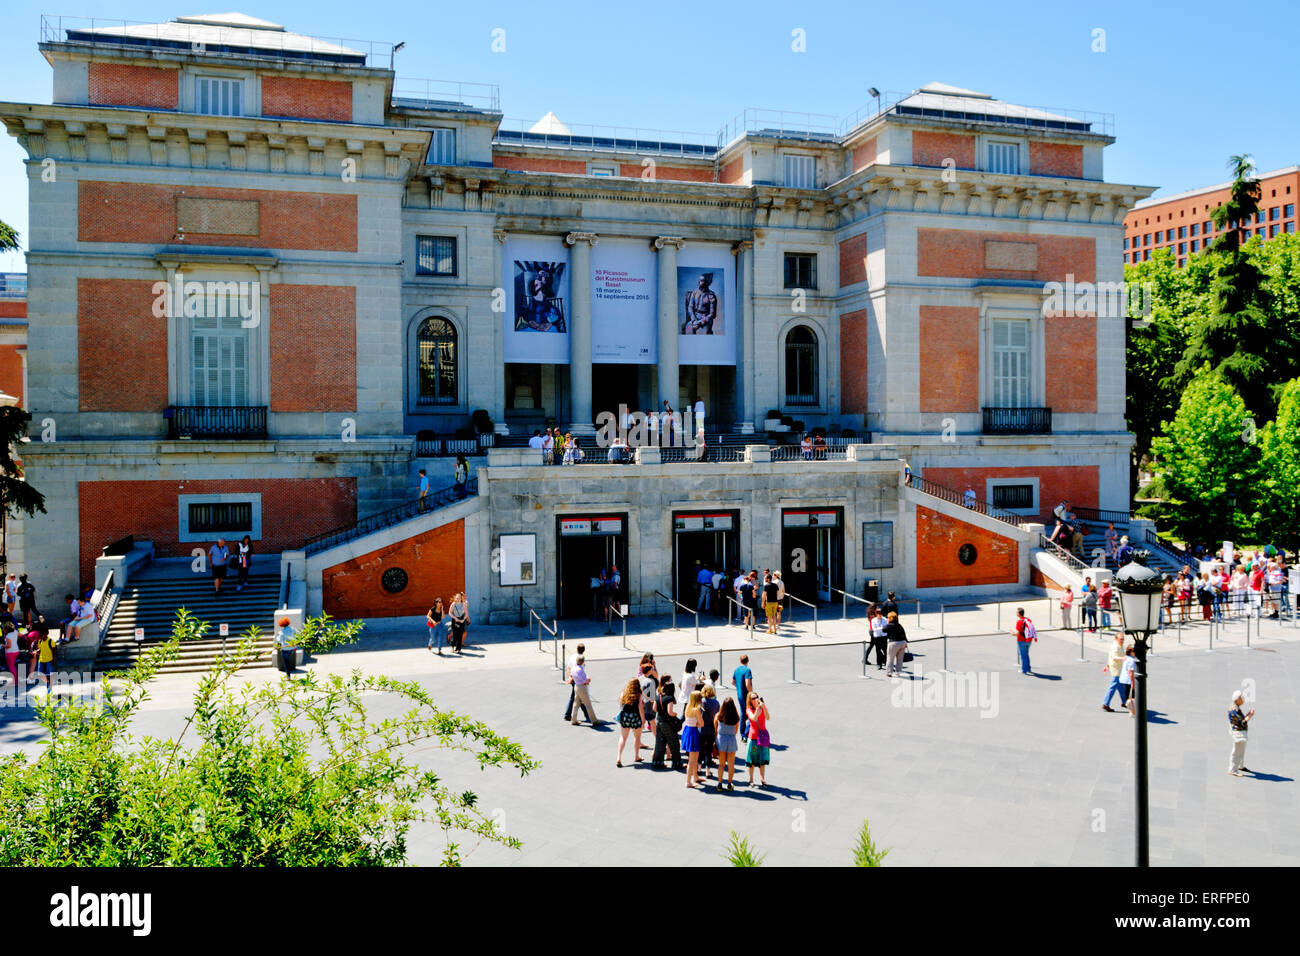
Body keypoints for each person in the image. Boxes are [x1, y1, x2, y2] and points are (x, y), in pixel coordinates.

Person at [651, 676, 683, 771]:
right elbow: (670, 712)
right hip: (667, 723)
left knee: (660, 743)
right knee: (674, 743)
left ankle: (657, 762)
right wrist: (675, 714)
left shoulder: (658, 696)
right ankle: (676, 763)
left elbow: (654, 709)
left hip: (659, 722)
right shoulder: (669, 698)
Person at [745, 692, 771, 788]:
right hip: (754, 738)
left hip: (762, 737)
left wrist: (763, 707)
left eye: (757, 697)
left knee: (762, 759)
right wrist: (757, 709)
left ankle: (762, 779)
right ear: (750, 701)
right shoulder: (749, 709)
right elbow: (753, 718)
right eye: (753, 698)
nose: (756, 699)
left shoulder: (762, 707)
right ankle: (751, 779)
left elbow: (768, 717)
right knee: (752, 760)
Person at [616, 678, 644, 767]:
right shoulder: (639, 695)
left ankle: (618, 757)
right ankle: (636, 756)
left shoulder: (623, 693)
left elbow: (620, 706)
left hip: (625, 716)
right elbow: (640, 709)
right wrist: (643, 720)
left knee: (623, 737)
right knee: (637, 737)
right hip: (635, 717)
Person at [714, 697, 740, 791]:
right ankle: (729, 783)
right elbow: (736, 731)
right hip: (731, 740)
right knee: (731, 764)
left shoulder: (718, 716)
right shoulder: (736, 717)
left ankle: (720, 784)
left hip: (721, 740)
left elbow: (715, 729)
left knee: (721, 764)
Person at [1228, 692, 1255, 776]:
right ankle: (1233, 770)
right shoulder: (1234, 710)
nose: (1243, 699)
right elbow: (1242, 722)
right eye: (1241, 698)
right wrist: (1250, 715)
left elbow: (1241, 718)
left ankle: (1240, 766)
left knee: (1241, 750)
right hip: (1238, 733)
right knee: (1237, 751)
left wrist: (1247, 715)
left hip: (1240, 732)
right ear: (1237, 700)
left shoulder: (1235, 707)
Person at [563, 642, 591, 723]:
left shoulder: (572, 656)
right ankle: (586, 715)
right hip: (577, 681)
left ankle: (568, 715)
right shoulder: (580, 658)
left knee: (574, 697)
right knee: (581, 698)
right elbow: (579, 672)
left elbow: (568, 667)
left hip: (573, 679)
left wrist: (570, 678)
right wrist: (584, 681)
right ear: (584, 650)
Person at [681, 690, 704, 788]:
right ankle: (688, 782)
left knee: (694, 757)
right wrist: (699, 722)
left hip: (687, 730)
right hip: (693, 732)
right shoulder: (697, 709)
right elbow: (702, 723)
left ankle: (695, 777)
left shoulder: (688, 707)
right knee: (692, 759)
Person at [568, 655, 600, 727]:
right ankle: (594, 720)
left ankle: (574, 720)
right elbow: (585, 681)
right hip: (582, 687)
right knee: (588, 704)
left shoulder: (573, 668)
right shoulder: (580, 670)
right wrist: (588, 679)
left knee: (576, 704)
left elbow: (571, 676)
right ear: (583, 662)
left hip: (576, 686)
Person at [699, 684, 720, 780]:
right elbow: (717, 717)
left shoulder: (701, 702)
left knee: (700, 749)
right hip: (711, 729)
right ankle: (708, 771)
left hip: (701, 729)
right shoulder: (716, 703)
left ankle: (699, 769)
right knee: (708, 751)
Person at [1101, 634, 1128, 711]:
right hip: (1117, 669)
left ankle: (1125, 702)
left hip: (1118, 668)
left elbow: (1110, 656)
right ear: (1116, 639)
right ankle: (1105, 703)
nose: (1122, 640)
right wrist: (1124, 658)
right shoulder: (1116, 646)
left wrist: (1107, 665)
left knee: (1121, 686)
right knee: (1113, 686)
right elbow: (1114, 657)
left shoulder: (1118, 644)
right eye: (1121, 639)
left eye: (1123, 639)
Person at [732, 655, 754, 738]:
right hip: (746, 695)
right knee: (750, 713)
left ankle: (742, 733)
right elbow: (747, 683)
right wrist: (752, 693)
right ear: (748, 660)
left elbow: (733, 682)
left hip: (740, 695)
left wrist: (739, 687)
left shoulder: (736, 670)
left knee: (742, 713)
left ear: (740, 661)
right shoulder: (747, 670)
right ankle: (746, 732)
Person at [884, 610, 909, 677]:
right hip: (902, 642)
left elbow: (883, 629)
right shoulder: (899, 625)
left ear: (890, 618)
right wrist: (906, 642)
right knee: (900, 659)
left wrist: (887, 623)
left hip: (894, 643)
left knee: (890, 658)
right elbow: (904, 633)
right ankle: (898, 672)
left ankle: (889, 672)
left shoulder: (889, 625)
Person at [1013, 607, 1036, 675]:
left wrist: (1012, 633)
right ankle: (1028, 668)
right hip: (1029, 640)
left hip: (1021, 640)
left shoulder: (1019, 622)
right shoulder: (1028, 620)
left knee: (1023, 655)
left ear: (1019, 614)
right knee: (1026, 654)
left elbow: (1017, 633)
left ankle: (1024, 670)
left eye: (1016, 612)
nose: (1016, 613)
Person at [869, 604, 888, 669]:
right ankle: (879, 664)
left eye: (881, 614)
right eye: (878, 614)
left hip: (884, 636)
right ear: (876, 614)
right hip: (877, 637)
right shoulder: (873, 620)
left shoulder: (885, 619)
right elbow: (874, 629)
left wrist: (880, 628)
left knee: (885, 650)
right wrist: (881, 628)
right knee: (878, 651)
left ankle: (886, 662)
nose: (880, 615)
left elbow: (886, 628)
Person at [1119, 645, 1137, 716]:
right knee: (1132, 697)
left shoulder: (1127, 658)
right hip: (1128, 681)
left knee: (1128, 696)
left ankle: (1131, 709)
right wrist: (1133, 682)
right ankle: (1132, 711)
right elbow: (1130, 672)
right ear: (1131, 652)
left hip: (1123, 680)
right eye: (1135, 651)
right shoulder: (1132, 660)